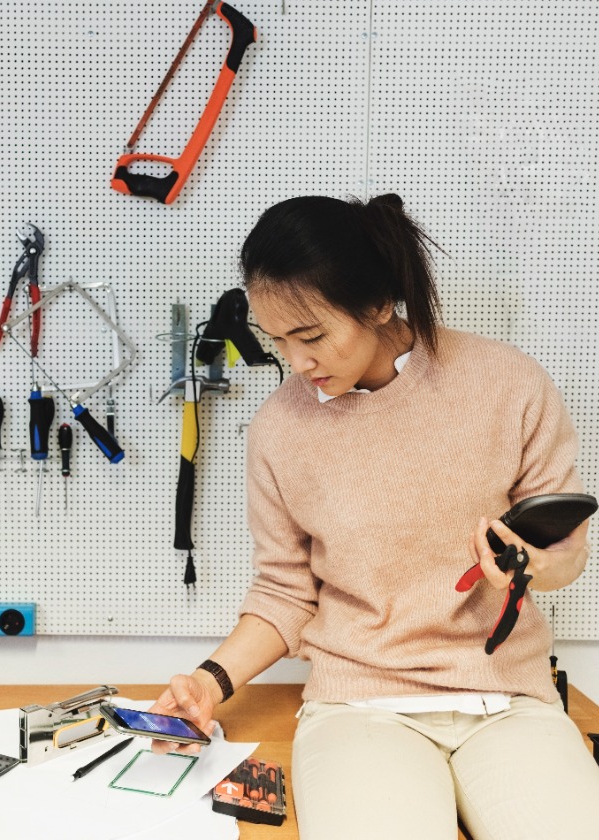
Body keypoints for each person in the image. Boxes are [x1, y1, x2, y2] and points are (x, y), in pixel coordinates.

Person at [151, 194, 599, 839]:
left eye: (311, 336)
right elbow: (284, 592)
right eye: (276, 340)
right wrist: (209, 682)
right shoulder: (280, 427)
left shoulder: (510, 384)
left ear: (381, 305)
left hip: (508, 698)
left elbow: (569, 552)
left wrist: (530, 566)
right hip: (359, 705)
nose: (296, 363)